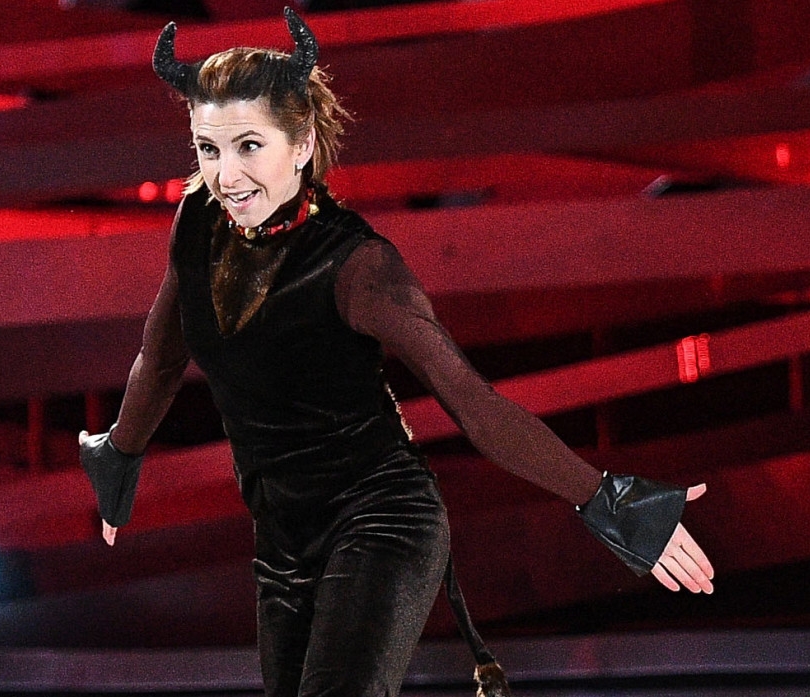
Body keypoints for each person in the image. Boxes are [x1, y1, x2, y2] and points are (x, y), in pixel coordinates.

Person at [78, 9, 714, 697]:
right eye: (208, 149)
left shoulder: (358, 266)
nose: (226, 175)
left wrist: (604, 498)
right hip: (282, 543)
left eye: (248, 146)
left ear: (302, 142)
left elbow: (473, 403)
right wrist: (120, 455)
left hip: (382, 522)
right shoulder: (199, 220)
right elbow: (162, 356)